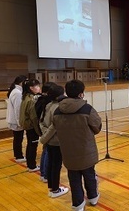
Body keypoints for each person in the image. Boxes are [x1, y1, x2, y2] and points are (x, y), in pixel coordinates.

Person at [53, 80, 102, 210]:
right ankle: (93, 197)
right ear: (81, 94)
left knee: (73, 178)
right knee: (89, 176)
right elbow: (97, 127)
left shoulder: (58, 111)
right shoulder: (87, 109)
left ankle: (78, 204)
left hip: (68, 151)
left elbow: (55, 127)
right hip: (86, 150)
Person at [39, 84, 69, 198]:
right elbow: (54, 126)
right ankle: (55, 189)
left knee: (52, 164)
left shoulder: (48, 105)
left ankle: (52, 187)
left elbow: (41, 123)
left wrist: (45, 135)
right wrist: (46, 136)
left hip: (50, 140)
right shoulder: (57, 107)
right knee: (56, 165)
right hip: (56, 141)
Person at [35, 82, 56, 183]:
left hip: (43, 129)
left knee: (45, 151)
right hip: (47, 130)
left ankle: (43, 173)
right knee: (48, 152)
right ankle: (46, 174)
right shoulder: (48, 103)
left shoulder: (40, 99)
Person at [19, 78, 41, 172]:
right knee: (32, 145)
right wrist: (38, 130)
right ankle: (32, 165)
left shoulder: (25, 96)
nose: (39, 87)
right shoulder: (31, 100)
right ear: (31, 88)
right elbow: (33, 117)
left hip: (26, 124)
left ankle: (30, 164)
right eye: (37, 86)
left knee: (30, 145)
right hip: (31, 126)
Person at [6, 75, 28, 163]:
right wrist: (20, 122)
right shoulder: (17, 93)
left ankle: (18, 155)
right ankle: (18, 156)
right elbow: (18, 109)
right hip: (16, 120)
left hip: (15, 120)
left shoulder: (17, 91)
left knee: (18, 138)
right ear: (21, 82)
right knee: (18, 139)